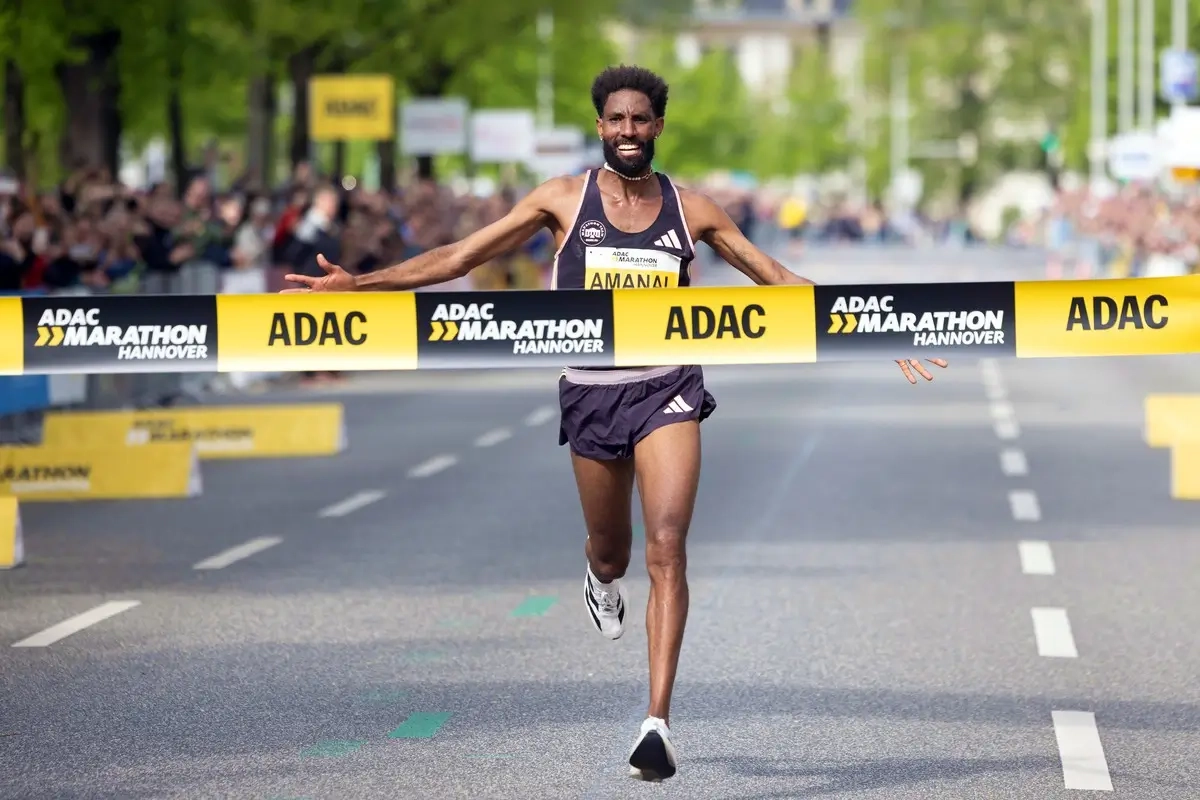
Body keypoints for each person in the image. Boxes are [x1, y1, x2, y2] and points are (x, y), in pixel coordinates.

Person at [283, 64, 949, 783]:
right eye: (616, 120)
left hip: (669, 388)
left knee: (669, 546)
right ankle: (600, 580)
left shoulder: (692, 211)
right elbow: (460, 256)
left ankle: (657, 722)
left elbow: (779, 281)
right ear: (600, 126)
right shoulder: (562, 201)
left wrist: (886, 327)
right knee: (614, 551)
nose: (629, 131)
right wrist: (361, 285)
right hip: (591, 394)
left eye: (641, 120)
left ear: (658, 127)